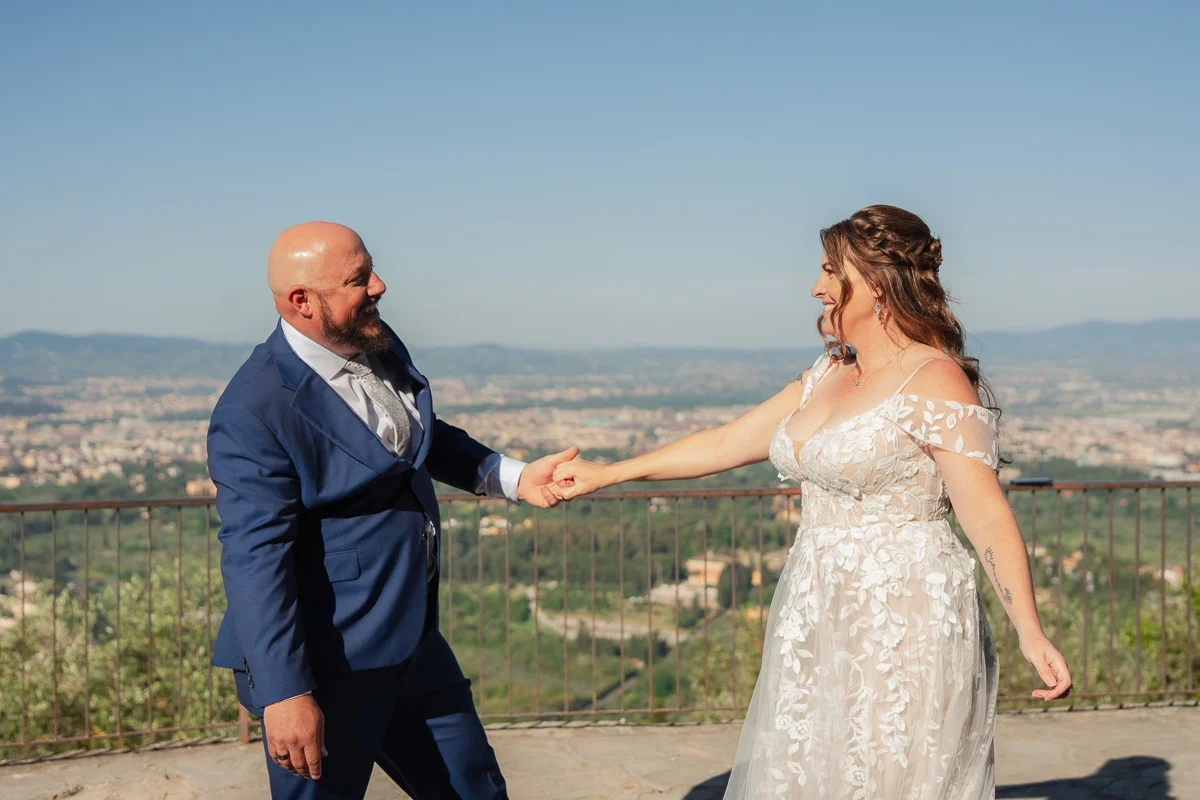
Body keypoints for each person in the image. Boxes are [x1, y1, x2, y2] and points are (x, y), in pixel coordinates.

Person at [551, 205, 1072, 798]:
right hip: (816, 607)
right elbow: (724, 442)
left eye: (830, 270)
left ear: (876, 283)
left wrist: (1029, 630)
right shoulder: (825, 372)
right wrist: (609, 473)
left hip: (905, 618)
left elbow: (985, 513)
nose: (816, 287)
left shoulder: (933, 378)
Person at [207, 221, 575, 799]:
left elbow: (415, 438)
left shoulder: (370, 336)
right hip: (327, 663)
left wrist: (514, 477)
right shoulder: (254, 408)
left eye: (370, 268)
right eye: (357, 279)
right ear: (301, 301)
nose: (379, 285)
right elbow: (255, 559)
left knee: (477, 790)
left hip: (413, 639)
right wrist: (285, 694)